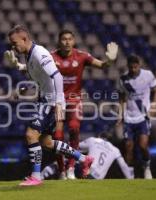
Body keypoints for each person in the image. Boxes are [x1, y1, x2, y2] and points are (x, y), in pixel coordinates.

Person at [4, 25, 94, 186]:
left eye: (14, 42)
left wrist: (59, 103)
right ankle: (84, 159)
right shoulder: (29, 55)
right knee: (46, 142)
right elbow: (40, 79)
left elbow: (57, 77)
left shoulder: (39, 53)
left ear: (24, 39)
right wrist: (23, 86)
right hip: (46, 100)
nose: (13, 46)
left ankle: (36, 176)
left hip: (50, 102)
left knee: (31, 135)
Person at [50, 30, 118, 179]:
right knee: (57, 137)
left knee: (74, 128)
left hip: (75, 100)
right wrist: (21, 66)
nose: (67, 42)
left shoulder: (81, 56)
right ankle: (61, 170)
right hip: (58, 102)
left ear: (73, 41)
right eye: (64, 39)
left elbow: (102, 65)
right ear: (59, 41)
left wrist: (111, 61)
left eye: (70, 39)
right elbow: (34, 70)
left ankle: (71, 168)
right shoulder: (51, 57)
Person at [118, 55, 156, 179]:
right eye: (131, 67)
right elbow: (122, 97)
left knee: (143, 146)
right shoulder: (123, 79)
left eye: (135, 67)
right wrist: (120, 114)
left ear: (139, 65)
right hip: (129, 118)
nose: (133, 69)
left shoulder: (148, 75)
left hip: (143, 117)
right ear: (128, 66)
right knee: (128, 147)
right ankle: (129, 174)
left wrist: (154, 105)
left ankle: (146, 166)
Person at [41, 133, 134, 180]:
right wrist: (131, 179)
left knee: (61, 163)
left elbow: (74, 148)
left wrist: (60, 147)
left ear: (99, 136)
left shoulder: (94, 140)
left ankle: (40, 177)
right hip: (98, 178)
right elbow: (124, 167)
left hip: (88, 171)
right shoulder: (115, 149)